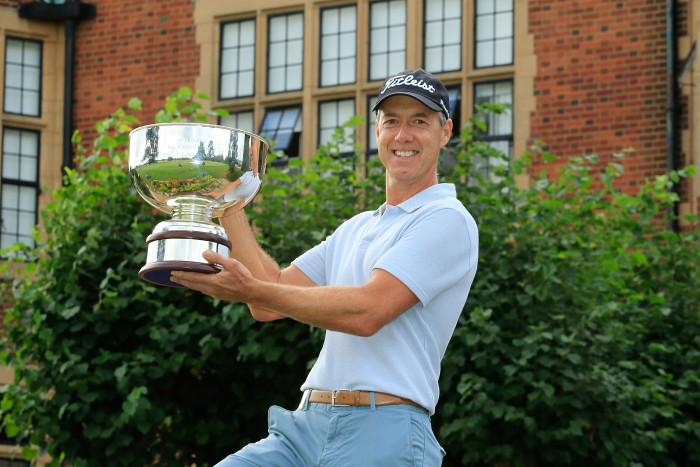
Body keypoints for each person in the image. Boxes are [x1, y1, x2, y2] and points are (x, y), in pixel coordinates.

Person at [170, 68, 479, 466]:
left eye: (419, 121)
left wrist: (252, 290)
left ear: (445, 132)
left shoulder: (447, 218)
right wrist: (229, 201)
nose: (404, 135)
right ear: (378, 130)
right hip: (303, 429)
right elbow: (270, 297)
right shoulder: (357, 228)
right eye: (392, 121)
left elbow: (368, 311)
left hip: (382, 431)